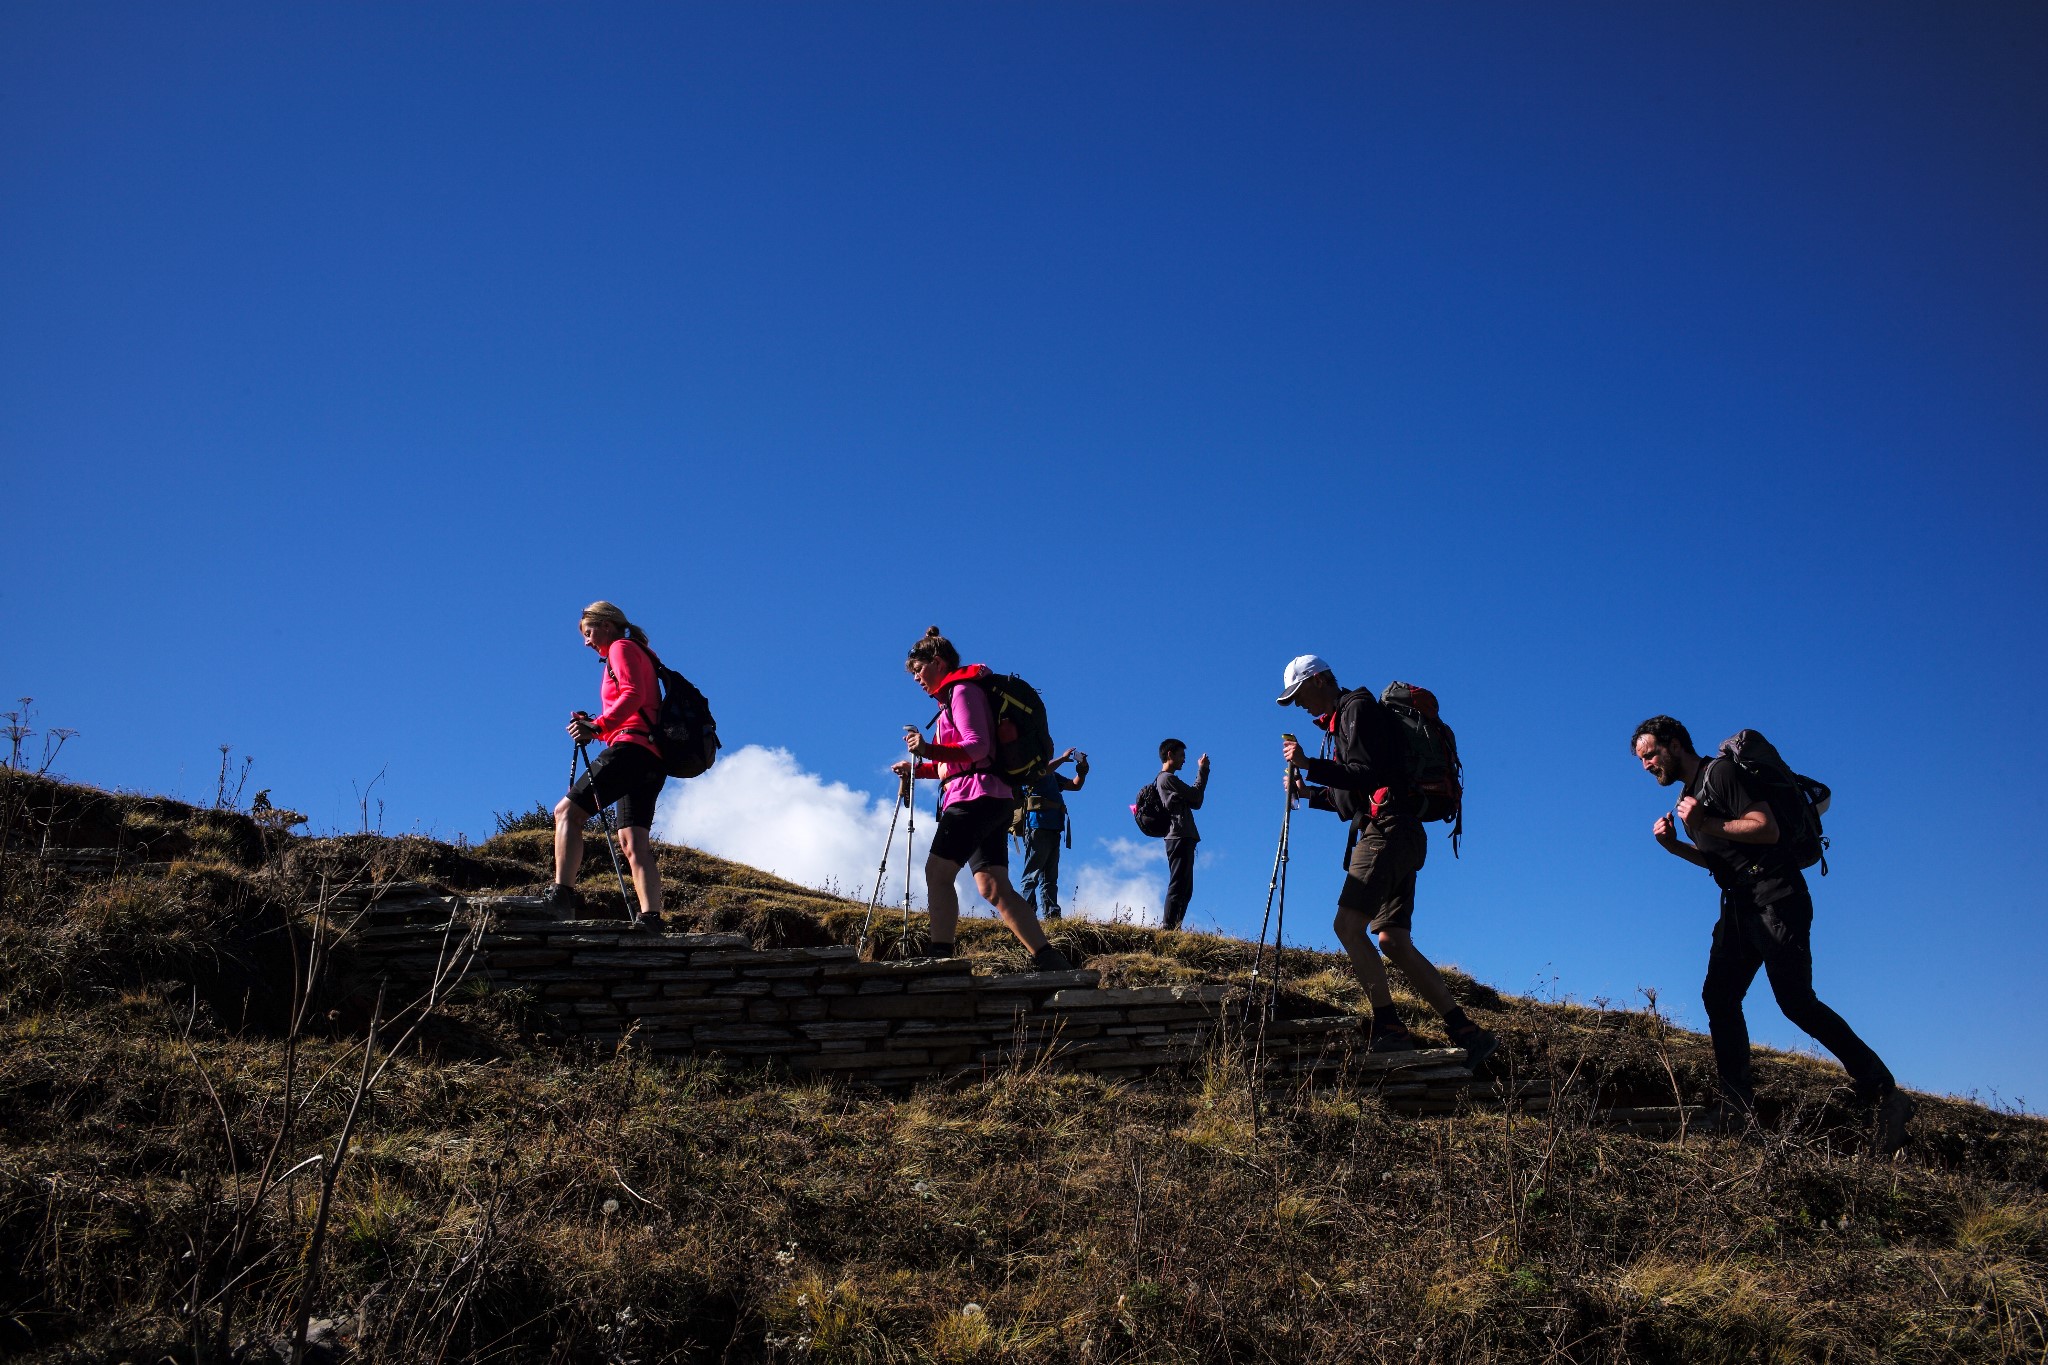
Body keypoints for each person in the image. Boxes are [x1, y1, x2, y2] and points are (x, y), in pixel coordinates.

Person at [1632, 715, 1912, 1153]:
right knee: (1719, 996)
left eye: (1651, 754)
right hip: (1739, 906)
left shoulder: (1718, 774)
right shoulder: (1689, 798)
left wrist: (1704, 824)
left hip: (1777, 897)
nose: (1647, 765)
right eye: (1642, 759)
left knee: (1796, 1002)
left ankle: (1884, 1092)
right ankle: (1735, 1107)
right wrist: (1676, 847)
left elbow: (1766, 827)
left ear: (1675, 744)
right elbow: (1720, 860)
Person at [1278, 654, 1498, 1062]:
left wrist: (1310, 765)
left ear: (1321, 680)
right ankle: (1467, 1031)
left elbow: (1362, 775)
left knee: (1347, 925)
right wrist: (1310, 793)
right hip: (1404, 830)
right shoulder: (1350, 717)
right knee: (1393, 940)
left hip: (1389, 831)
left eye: (1299, 693)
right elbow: (1360, 789)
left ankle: (1389, 1026)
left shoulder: (1355, 709)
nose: (1298, 704)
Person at [892, 627, 1074, 971]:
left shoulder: (961, 691)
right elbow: (957, 764)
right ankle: (1049, 959)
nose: (916, 677)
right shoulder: (954, 697)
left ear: (938, 661)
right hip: (993, 797)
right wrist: (919, 769)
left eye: (918, 669)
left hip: (974, 798)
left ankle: (940, 956)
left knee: (937, 872)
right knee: (993, 885)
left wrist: (928, 748)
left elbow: (976, 748)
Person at [542, 601, 666, 928]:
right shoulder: (640, 652)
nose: (586, 641)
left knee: (566, 813)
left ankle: (562, 896)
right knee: (632, 839)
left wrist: (596, 726)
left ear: (606, 624)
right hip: (651, 757)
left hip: (630, 750)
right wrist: (596, 726)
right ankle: (651, 918)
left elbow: (633, 695)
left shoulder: (621, 648)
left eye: (588, 631)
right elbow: (640, 705)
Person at [1016, 747, 1088, 919]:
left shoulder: (1052, 776)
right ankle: (1027, 914)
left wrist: (1082, 772)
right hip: (1037, 827)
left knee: (1049, 877)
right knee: (1032, 874)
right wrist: (1062, 760)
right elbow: (1041, 771)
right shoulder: (1030, 771)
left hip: (1054, 828)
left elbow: (1074, 785)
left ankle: (1051, 915)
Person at [1154, 740, 1208, 931]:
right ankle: (1168, 928)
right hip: (1179, 836)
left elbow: (1195, 800)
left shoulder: (1167, 780)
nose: (1184, 760)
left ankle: (1174, 927)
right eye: (1181, 755)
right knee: (1179, 885)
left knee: (1185, 887)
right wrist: (1202, 771)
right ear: (1170, 754)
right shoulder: (1167, 779)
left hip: (1181, 836)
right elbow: (1195, 797)